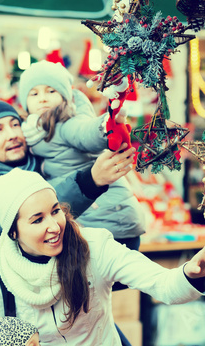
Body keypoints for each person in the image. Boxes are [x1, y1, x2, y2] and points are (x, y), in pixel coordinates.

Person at [0, 168, 205, 346]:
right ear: (13, 230)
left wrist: (192, 274)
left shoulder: (95, 249)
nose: (54, 226)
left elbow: (162, 284)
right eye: (38, 219)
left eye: (56, 211)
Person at [0, 99, 134, 346]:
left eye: (15, 124)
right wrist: (91, 179)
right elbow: (5, 217)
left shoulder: (43, 169)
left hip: (57, 307)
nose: (12, 133)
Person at [19, 60, 146, 251]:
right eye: (34, 93)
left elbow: (85, 132)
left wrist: (106, 126)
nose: (42, 98)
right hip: (92, 214)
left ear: (65, 96)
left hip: (107, 217)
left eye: (51, 91)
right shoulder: (34, 129)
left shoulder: (67, 122)